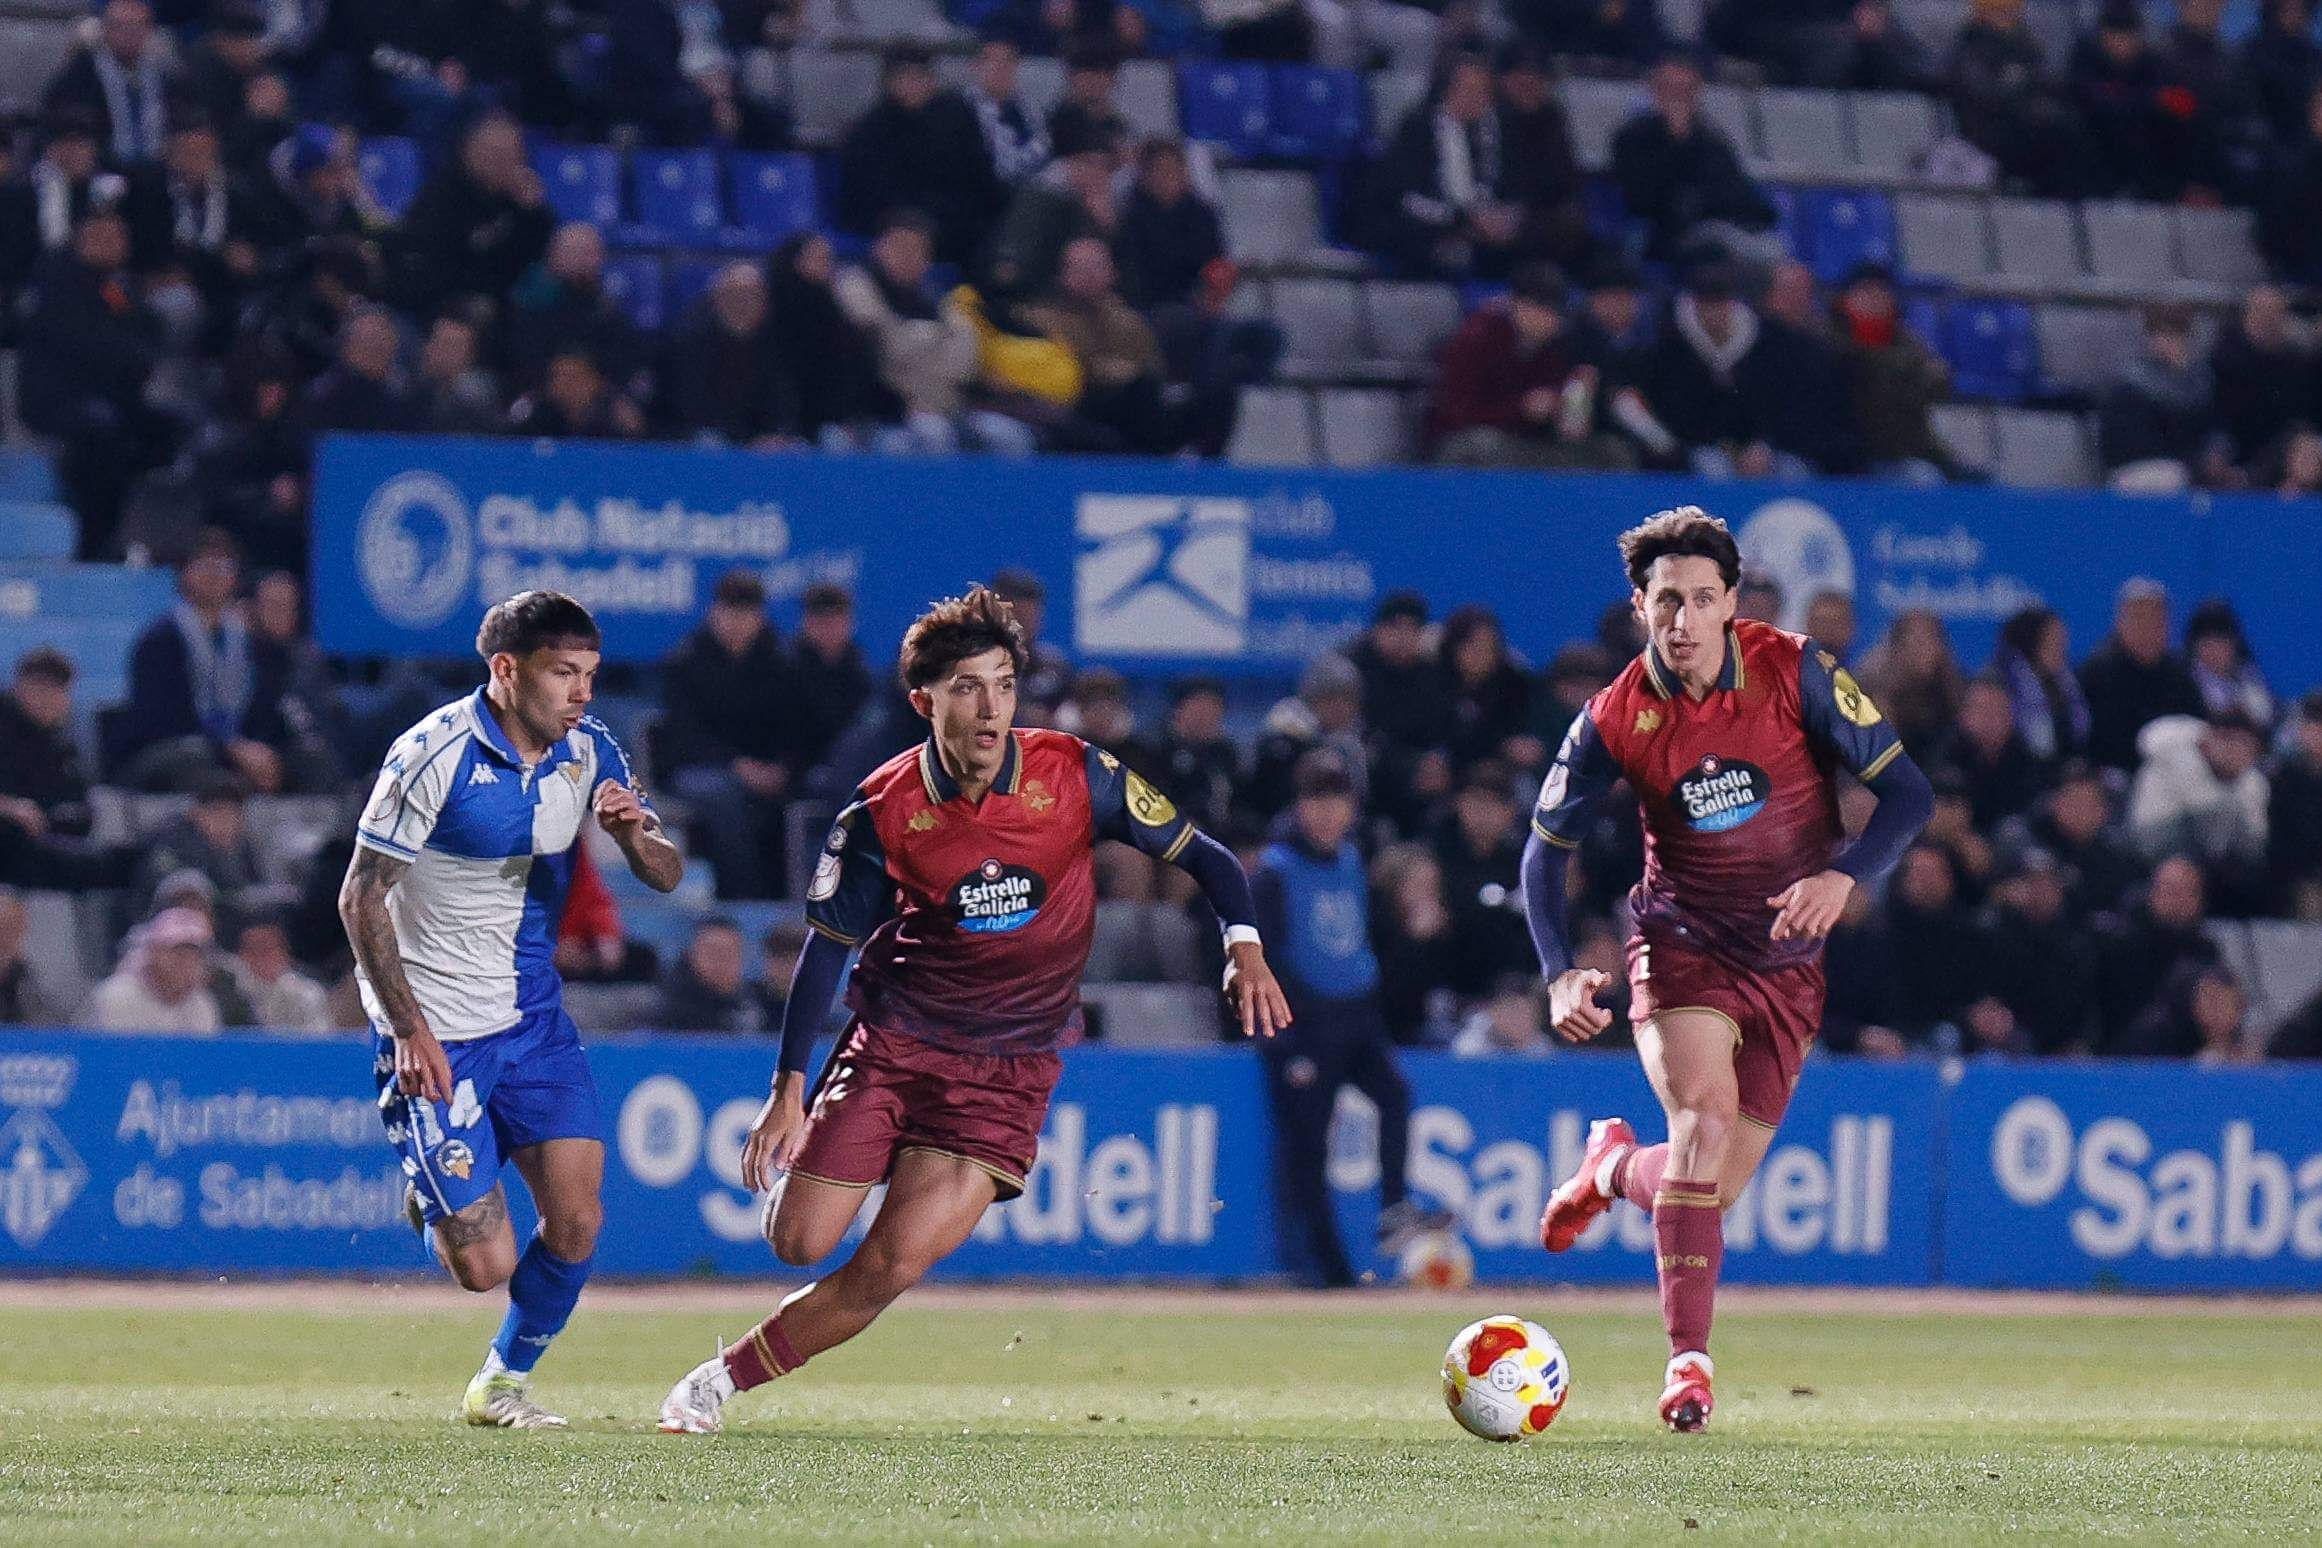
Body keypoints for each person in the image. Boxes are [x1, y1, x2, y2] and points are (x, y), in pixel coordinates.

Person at [656, 585, 1290, 1433]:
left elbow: (1206, 856)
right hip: (898, 1044)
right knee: (799, 1242)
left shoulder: (1077, 773)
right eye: (967, 688)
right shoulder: (882, 810)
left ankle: (715, 1383)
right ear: (925, 702)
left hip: (1008, 1072)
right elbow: (827, 949)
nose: (991, 709)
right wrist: (787, 1089)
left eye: (1003, 685)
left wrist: (1243, 943)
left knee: (888, 1267)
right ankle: (861, 1153)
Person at [1521, 507, 1932, 1432]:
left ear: (1731, 602)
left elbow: (1909, 794)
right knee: (1701, 1123)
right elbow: (1544, 851)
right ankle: (1688, 1368)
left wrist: (1844, 876)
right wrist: (1558, 971)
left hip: (1788, 960)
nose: (1684, 620)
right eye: (1667, 600)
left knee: (1707, 1187)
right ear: (1640, 606)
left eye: (1703, 600)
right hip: (1681, 945)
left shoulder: (1799, 671)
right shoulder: (1616, 716)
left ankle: (1612, 1167)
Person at [341, 590, 683, 1429]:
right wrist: (408, 1028)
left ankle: (499, 1383)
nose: (582, 692)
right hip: (438, 1030)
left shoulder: (591, 749)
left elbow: (667, 873)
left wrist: (634, 836)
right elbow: (360, 897)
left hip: (533, 1021)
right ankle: (435, 1200)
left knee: (578, 1218)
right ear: (505, 670)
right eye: (563, 673)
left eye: (591, 674)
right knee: (484, 1265)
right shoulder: (431, 755)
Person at [1252, 753, 1448, 1285]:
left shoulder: (1351, 862)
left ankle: (1393, 1207)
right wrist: (1288, 1037)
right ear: (1300, 806)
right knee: (1309, 1146)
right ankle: (1327, 1271)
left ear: (1351, 809)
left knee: (1395, 1095)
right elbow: (1266, 956)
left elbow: (1362, 940)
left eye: (1335, 802)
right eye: (1315, 801)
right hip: (1307, 1021)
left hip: (1356, 1013)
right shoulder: (1275, 871)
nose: (1325, 813)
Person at [657, 569, 793, 899]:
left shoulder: (779, 663)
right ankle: (741, 900)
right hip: (696, 768)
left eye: (746, 615)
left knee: (805, 792)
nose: (737, 624)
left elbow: (792, 723)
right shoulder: (685, 662)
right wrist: (737, 766)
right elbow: (684, 735)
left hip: (762, 770)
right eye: (731, 613)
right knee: (722, 795)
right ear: (714, 613)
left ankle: (794, 898)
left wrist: (782, 766)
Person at [1426, 262, 1635, 470]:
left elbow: (1572, 418)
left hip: (1530, 444)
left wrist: (1569, 410)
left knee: (1612, 452)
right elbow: (1457, 414)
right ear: (1516, 304)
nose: (1546, 319)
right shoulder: (1475, 340)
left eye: (1553, 311)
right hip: (1474, 439)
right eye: (1539, 308)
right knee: (1484, 444)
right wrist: (1521, 409)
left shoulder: (1561, 348)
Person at [1610, 51, 1778, 267]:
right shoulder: (1632, 139)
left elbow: (1736, 193)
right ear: (1654, 91)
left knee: (1772, 250)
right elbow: (1643, 199)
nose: (1678, 99)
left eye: (1685, 91)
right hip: (1668, 236)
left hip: (1721, 227)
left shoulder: (1711, 140)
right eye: (1670, 90)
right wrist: (1677, 142)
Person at [2079, 578, 2203, 771]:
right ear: (2120, 623)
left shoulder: (2181, 673)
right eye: (2139, 620)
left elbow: (2198, 729)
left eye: (2156, 622)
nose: (2148, 630)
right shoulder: (2095, 673)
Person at [84, 906, 223, 1033]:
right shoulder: (115, 997)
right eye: (178, 953)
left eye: (194, 955)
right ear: (153, 952)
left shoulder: (202, 1004)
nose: (186, 962)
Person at [656, 917, 764, 1034]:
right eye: (712, 952)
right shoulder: (667, 1011)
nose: (720, 961)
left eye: (728, 953)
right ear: (692, 955)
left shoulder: (756, 1001)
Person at [229, 913, 332, 1032]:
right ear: (240, 954)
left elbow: (318, 1038)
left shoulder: (306, 994)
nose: (260, 956)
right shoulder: (229, 992)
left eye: (267, 948)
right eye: (252, 949)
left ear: (284, 953)